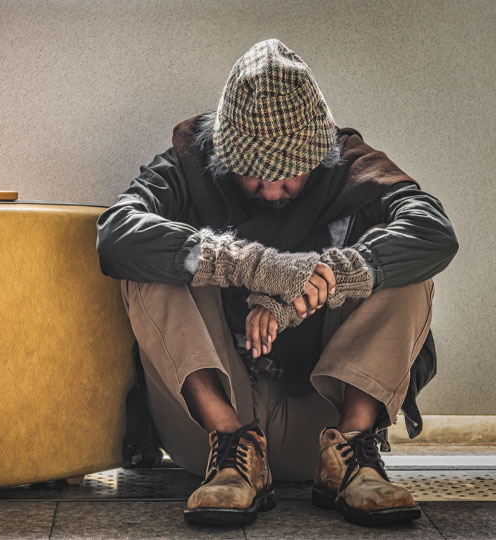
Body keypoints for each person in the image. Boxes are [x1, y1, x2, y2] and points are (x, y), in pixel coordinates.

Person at [95, 38, 459, 527]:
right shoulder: (188, 162)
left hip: (322, 418)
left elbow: (434, 232)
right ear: (225, 153)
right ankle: (233, 450)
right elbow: (116, 233)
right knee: (151, 261)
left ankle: (354, 458)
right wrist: (250, 265)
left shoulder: (353, 164)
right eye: (252, 173)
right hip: (208, 427)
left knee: (406, 267)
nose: (270, 188)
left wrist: (332, 275)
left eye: (289, 174)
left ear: (318, 152)